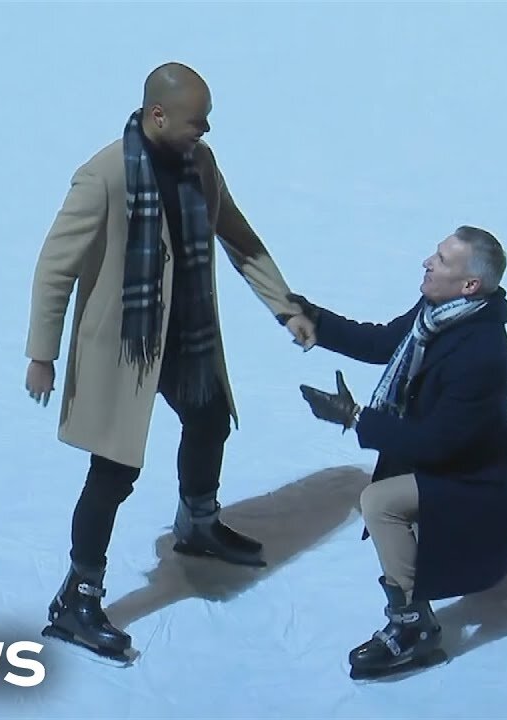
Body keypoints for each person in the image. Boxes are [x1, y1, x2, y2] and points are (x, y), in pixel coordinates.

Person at [24, 62, 316, 662]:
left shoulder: (200, 166)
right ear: (157, 116)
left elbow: (239, 235)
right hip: (123, 345)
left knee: (208, 420)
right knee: (114, 472)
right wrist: (42, 355)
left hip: (187, 331)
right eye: (195, 121)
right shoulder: (103, 176)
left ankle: (198, 523)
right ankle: (78, 596)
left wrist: (285, 307)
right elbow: (55, 267)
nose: (204, 131)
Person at [291, 226, 507, 679]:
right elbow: (381, 342)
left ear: (470, 285)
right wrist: (310, 316)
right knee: (440, 522)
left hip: (475, 483)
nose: (428, 262)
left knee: (380, 503)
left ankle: (413, 627)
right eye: (436, 252)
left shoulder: (483, 354)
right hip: (456, 466)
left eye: (443, 260)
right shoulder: (439, 313)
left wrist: (356, 418)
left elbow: (437, 445)